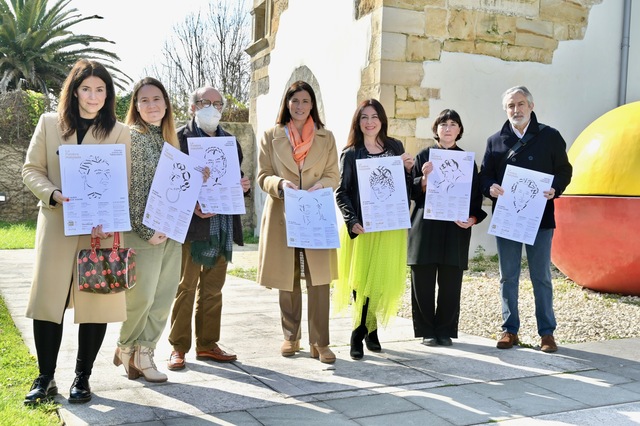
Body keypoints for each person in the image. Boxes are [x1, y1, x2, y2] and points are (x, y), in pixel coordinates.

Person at [22, 59, 131, 404]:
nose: (94, 96)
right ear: (74, 91)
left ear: (108, 94)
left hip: (99, 229)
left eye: (101, 90)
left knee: (96, 304)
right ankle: (45, 378)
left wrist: (107, 213)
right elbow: (31, 169)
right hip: (57, 224)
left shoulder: (120, 132)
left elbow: (122, 182)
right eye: (87, 88)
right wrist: (53, 194)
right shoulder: (49, 124)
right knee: (48, 303)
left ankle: (82, 379)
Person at [479, 86, 572, 353]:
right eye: (511, 106)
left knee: (541, 276)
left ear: (531, 106)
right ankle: (510, 330)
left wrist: (556, 188)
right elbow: (485, 175)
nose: (516, 110)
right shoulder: (495, 141)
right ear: (505, 109)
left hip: (540, 218)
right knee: (508, 276)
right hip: (508, 218)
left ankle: (547, 333)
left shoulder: (550, 137)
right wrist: (490, 188)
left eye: (521, 104)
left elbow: (565, 171)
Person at [167, 86, 250, 370]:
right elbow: (170, 182)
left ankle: (207, 344)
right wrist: (191, 205)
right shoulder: (180, 138)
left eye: (217, 104)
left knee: (213, 289)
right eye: (205, 102)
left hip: (222, 224)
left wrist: (244, 186)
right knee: (186, 286)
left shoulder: (230, 141)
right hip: (193, 227)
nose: (212, 108)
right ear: (193, 107)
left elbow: (234, 178)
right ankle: (178, 347)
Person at [257, 80, 339, 364]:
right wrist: (279, 184)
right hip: (283, 212)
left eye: (305, 101)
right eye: (295, 101)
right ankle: (291, 336)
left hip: (316, 212)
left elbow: (333, 175)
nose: (300, 107)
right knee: (287, 277)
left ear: (312, 104)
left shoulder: (326, 137)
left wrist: (321, 187)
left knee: (319, 280)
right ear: (287, 104)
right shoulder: (271, 135)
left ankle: (321, 342)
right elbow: (262, 175)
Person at [113, 77, 185, 382]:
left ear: (166, 103)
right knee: (140, 298)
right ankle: (125, 347)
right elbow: (126, 188)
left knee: (163, 297)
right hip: (142, 232)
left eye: (157, 99)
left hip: (171, 231)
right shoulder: (130, 136)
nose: (152, 105)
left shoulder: (171, 140)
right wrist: (145, 230)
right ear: (136, 106)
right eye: (144, 100)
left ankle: (144, 355)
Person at [333, 98, 414, 360]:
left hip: (389, 226)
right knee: (362, 280)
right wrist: (351, 219)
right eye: (364, 117)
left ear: (382, 120)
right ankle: (359, 333)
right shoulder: (351, 152)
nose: (370, 122)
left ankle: (371, 328)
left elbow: (404, 189)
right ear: (358, 122)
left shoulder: (395, 148)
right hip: (363, 226)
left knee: (380, 280)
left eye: (374, 117)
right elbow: (341, 192)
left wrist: (409, 170)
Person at [408, 109, 487, 347]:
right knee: (422, 280)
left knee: (451, 283)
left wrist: (472, 218)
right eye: (443, 124)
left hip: (454, 228)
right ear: (436, 129)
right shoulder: (424, 156)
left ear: (459, 130)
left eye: (453, 124)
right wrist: (423, 180)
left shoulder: (466, 161)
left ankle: (445, 329)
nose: (448, 128)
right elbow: (410, 192)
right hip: (426, 226)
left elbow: (474, 197)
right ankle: (426, 330)